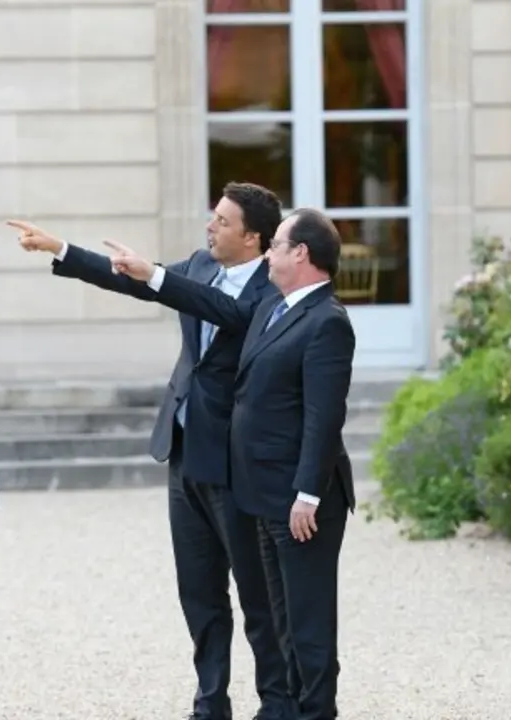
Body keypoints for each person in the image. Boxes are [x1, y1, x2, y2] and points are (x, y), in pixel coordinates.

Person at [6, 181, 290, 720]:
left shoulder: (271, 288)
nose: (211, 227)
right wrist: (61, 248)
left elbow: (224, 311)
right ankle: (210, 703)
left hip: (236, 462)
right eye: (213, 217)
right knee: (199, 593)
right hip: (184, 451)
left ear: (254, 238)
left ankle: (277, 702)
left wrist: (158, 277)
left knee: (256, 595)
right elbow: (144, 285)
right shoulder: (201, 266)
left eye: (223, 222)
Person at [106, 208, 356, 720]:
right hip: (262, 493)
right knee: (281, 617)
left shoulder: (327, 321)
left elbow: (324, 417)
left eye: (278, 245)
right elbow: (209, 303)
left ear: (301, 253)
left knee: (307, 627)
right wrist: (146, 272)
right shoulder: (273, 309)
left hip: (300, 501)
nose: (270, 254)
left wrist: (308, 492)